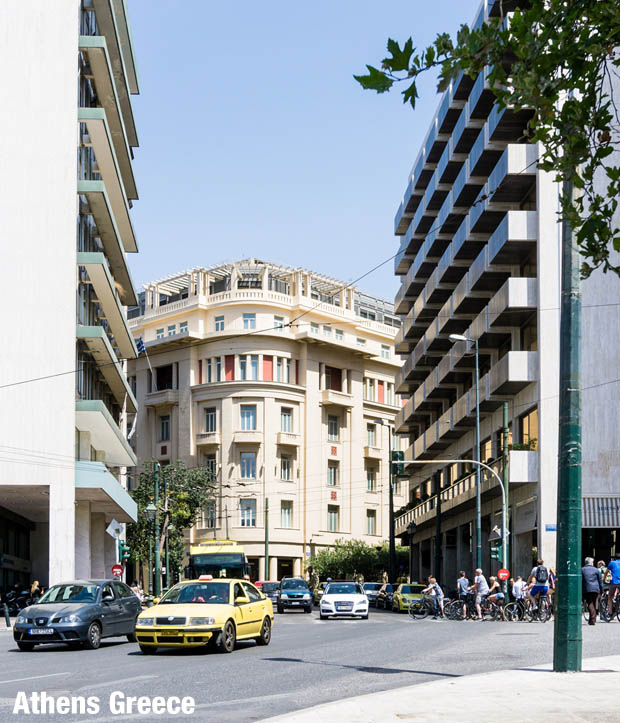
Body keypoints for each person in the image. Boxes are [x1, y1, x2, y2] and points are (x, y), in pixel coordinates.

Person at [582, 556, 604, 625]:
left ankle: (592, 619)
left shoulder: (582, 570)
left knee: (590, 603)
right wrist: (601, 590)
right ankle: (592, 620)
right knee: (594, 603)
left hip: (586, 589)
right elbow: (600, 581)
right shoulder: (596, 570)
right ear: (591, 563)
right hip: (595, 589)